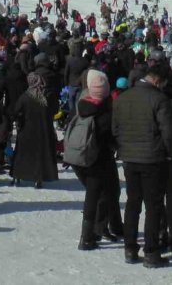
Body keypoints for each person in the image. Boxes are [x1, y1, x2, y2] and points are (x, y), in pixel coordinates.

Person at [112, 65, 172, 268]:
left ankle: (130, 248)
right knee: (153, 206)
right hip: (152, 158)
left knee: (133, 203)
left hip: (129, 158)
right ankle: (151, 251)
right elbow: (168, 131)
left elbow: (115, 129)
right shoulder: (159, 99)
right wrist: (171, 153)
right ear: (158, 80)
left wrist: (123, 147)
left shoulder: (123, 98)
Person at [71, 70, 122, 251]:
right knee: (100, 195)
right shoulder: (106, 112)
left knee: (99, 195)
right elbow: (112, 137)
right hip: (99, 158)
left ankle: (97, 230)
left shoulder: (82, 105)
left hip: (80, 158)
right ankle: (87, 236)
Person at [11, 72, 59, 188]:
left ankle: (18, 175)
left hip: (26, 130)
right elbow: (55, 110)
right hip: (44, 129)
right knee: (40, 154)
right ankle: (39, 178)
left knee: (23, 154)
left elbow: (15, 111)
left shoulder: (25, 96)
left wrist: (20, 119)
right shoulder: (48, 95)